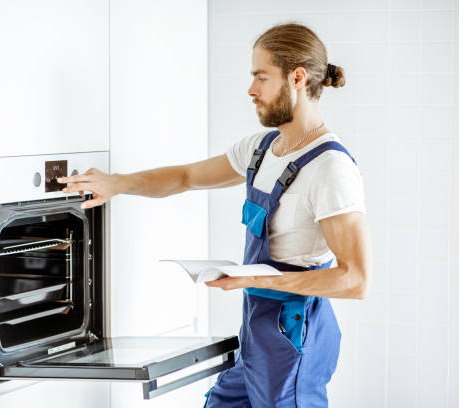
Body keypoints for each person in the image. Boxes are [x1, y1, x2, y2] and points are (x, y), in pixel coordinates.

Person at [58, 22, 372, 408]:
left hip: (292, 337)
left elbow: (354, 279)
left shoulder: (329, 168)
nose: (251, 90)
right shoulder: (262, 149)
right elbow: (186, 176)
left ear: (297, 78)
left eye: (261, 77)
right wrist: (117, 183)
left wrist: (255, 278)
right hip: (257, 334)